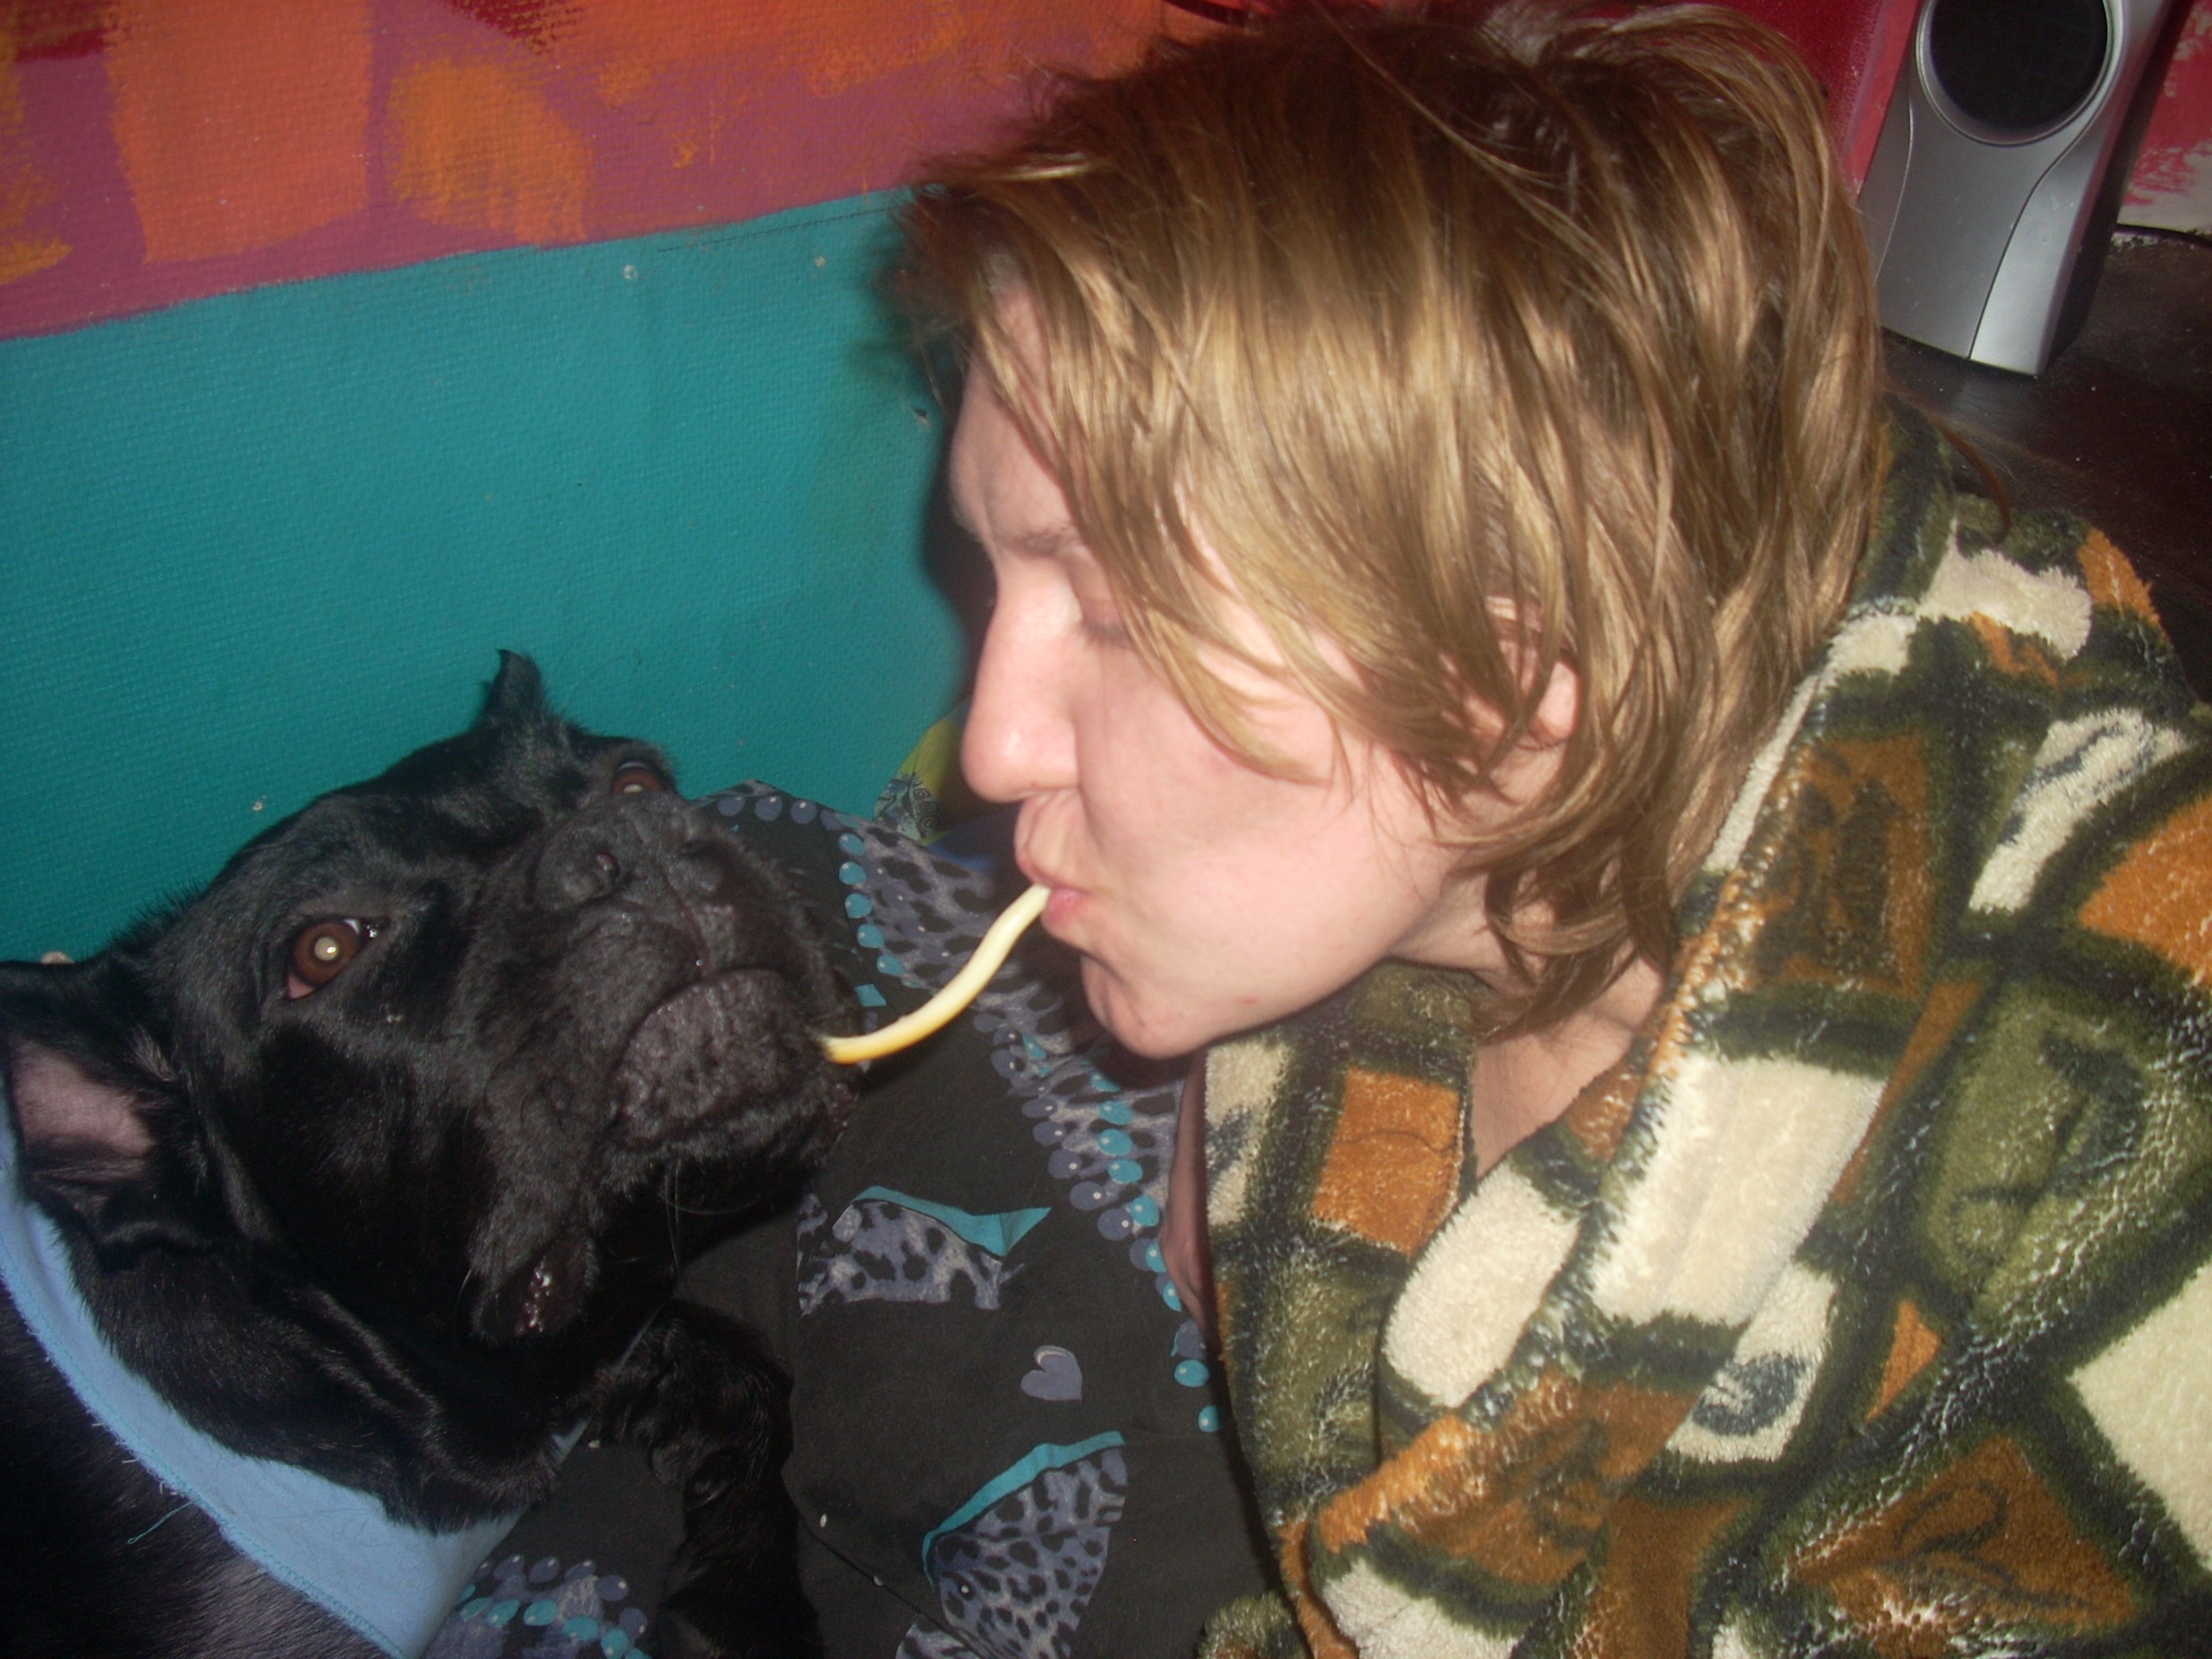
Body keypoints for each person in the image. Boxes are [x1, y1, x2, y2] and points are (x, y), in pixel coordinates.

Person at [868, 3, 2212, 1656]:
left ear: (1511, 673)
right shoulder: (1344, 937)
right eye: (999, 574)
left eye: (1116, 617)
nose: (990, 751)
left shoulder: (2123, 1160)